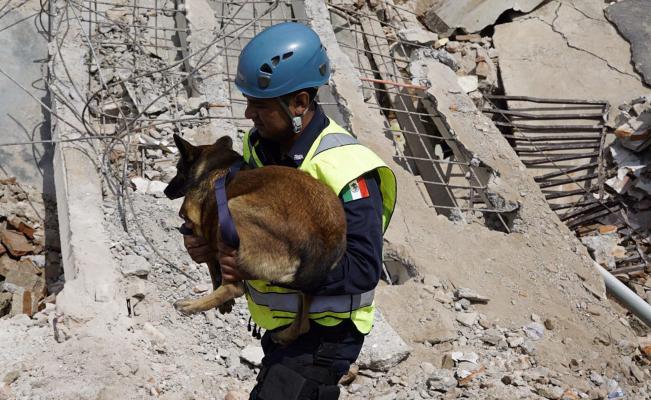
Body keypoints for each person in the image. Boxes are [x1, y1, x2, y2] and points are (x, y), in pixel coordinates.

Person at [182, 22, 396, 400]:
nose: (249, 114)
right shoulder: (259, 149)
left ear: (298, 103)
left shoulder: (346, 166)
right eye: (248, 101)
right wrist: (208, 244)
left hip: (326, 334)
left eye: (260, 105)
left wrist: (263, 268)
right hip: (282, 328)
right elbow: (240, 222)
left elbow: (363, 269)